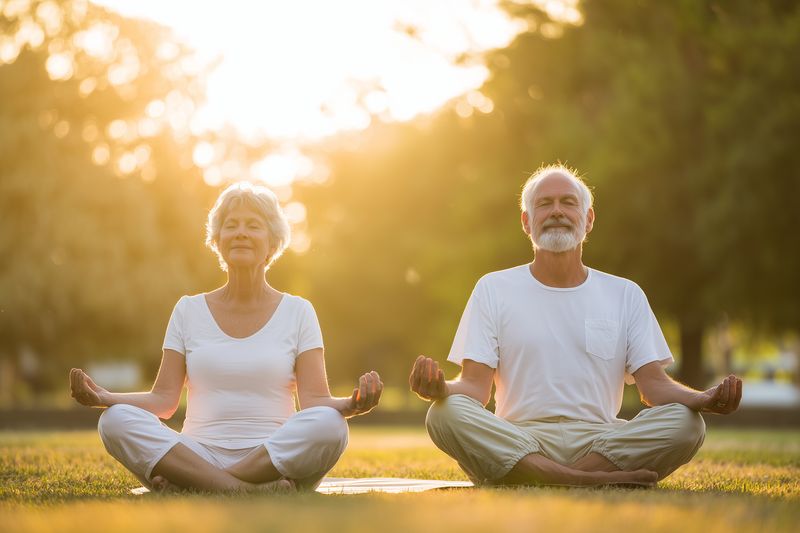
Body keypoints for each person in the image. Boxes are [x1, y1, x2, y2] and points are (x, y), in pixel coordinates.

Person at [409, 164, 742, 488]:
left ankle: (542, 476)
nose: (557, 211)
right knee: (443, 414)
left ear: (589, 219)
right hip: (520, 438)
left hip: (601, 441)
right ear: (527, 222)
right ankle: (582, 480)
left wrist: (703, 398)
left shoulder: (624, 293)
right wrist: (441, 391)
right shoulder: (493, 288)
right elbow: (474, 388)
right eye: (544, 204)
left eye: (568, 202)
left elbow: (653, 388)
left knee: (686, 423)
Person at [70, 182, 383, 493]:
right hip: (196, 454)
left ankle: (196, 484)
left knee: (331, 426)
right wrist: (105, 398)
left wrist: (351, 405)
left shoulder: (298, 311)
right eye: (230, 225)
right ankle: (244, 489)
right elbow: (163, 400)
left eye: (253, 225)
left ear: (273, 244)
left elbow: (314, 401)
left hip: (271, 456)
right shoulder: (188, 310)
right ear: (218, 241)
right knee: (114, 421)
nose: (241, 232)